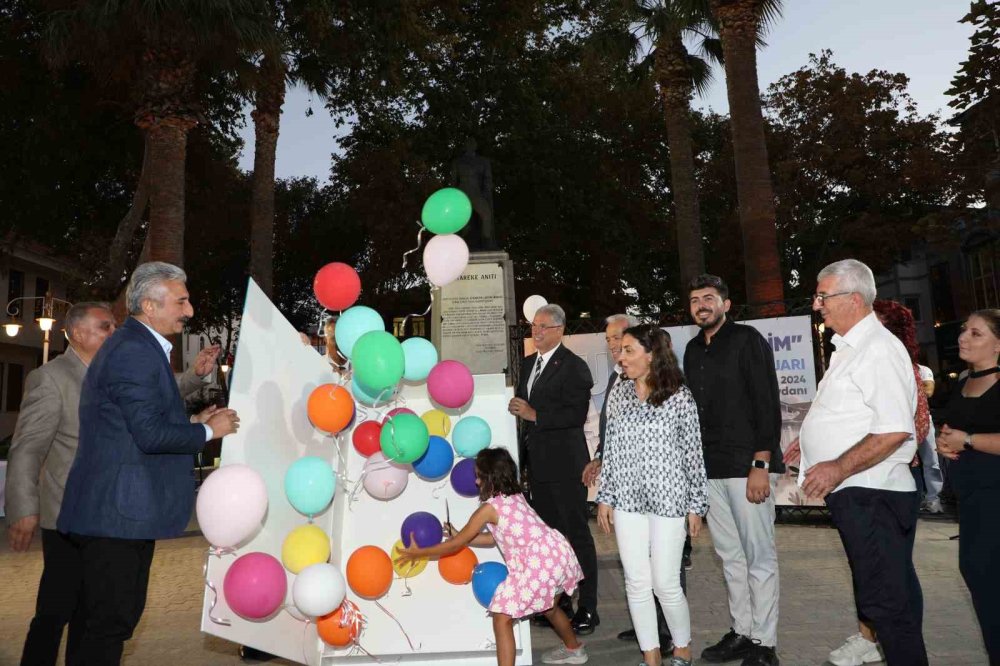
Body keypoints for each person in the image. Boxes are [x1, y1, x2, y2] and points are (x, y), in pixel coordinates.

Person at [4, 302, 219, 666]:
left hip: (106, 515)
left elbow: (149, 395)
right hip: (65, 518)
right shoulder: (52, 379)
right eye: (106, 327)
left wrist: (195, 376)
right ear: (77, 334)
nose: (115, 333)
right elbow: (27, 448)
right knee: (56, 610)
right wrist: (23, 508)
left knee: (94, 613)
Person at [56, 262, 240, 664]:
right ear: (148, 306)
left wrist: (193, 421)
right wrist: (210, 433)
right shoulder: (134, 351)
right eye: (181, 301)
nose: (189, 310)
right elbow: (150, 435)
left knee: (100, 622)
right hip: (117, 515)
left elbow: (134, 424)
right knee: (110, 623)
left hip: (117, 513)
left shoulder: (137, 347)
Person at [797, 259, 927, 666]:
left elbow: (894, 430)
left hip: (873, 494)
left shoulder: (877, 348)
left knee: (887, 605)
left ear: (853, 298)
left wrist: (836, 466)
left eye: (823, 296)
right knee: (889, 599)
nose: (817, 305)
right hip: (865, 493)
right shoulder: (852, 347)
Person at [397, 448, 587, 666]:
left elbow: (455, 545)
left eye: (479, 476)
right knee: (549, 608)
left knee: (501, 618)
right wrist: (462, 534)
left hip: (540, 562)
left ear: (490, 477)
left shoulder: (489, 509)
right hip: (558, 553)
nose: (476, 482)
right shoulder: (516, 497)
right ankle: (574, 650)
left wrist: (419, 552)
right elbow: (494, 538)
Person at [683, 275, 782, 666]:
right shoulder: (692, 350)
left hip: (746, 468)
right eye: (695, 300)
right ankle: (742, 631)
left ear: (726, 303)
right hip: (710, 469)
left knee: (759, 556)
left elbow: (767, 404)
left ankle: (765, 642)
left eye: (709, 298)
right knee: (729, 556)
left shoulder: (748, 340)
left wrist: (761, 463)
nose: (701, 305)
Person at [596, 324, 707, 666]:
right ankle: (651, 656)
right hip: (627, 501)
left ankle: (682, 650)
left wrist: (696, 506)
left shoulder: (679, 396)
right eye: (620, 350)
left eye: (629, 350)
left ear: (652, 354)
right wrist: (605, 496)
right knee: (636, 582)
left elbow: (693, 454)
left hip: (670, 501)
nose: (621, 356)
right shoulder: (619, 394)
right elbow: (611, 448)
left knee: (665, 583)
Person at [582, 314, 678, 647]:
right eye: (609, 340)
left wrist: (692, 505)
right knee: (637, 571)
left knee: (665, 573)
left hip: (664, 496)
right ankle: (647, 629)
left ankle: (669, 634)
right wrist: (601, 460)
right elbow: (613, 430)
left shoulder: (671, 388)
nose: (614, 348)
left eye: (620, 340)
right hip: (626, 492)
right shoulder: (617, 381)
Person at [508, 304, 599, 634]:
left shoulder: (574, 367)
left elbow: (575, 415)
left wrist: (536, 415)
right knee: (550, 539)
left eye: (544, 326)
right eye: (534, 325)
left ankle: (588, 606)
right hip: (538, 467)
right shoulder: (529, 363)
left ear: (560, 330)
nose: (537, 331)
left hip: (566, 465)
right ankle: (556, 603)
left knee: (576, 535)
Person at [935, 309, 1000, 663]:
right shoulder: (961, 383)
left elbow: (970, 435)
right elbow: (954, 431)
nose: (963, 337)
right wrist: (945, 443)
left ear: (998, 345)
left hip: (997, 498)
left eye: (976, 333)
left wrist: (969, 440)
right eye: (964, 330)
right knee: (976, 573)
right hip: (970, 500)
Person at [915, 362, 944, 514]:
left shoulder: (923, 369)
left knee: (931, 460)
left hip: (924, 419)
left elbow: (929, 390)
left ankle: (934, 499)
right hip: (901, 420)